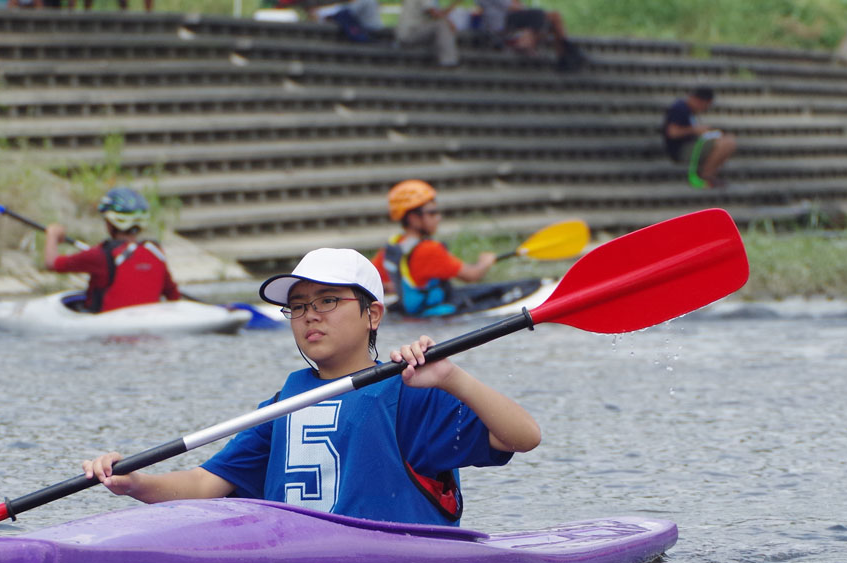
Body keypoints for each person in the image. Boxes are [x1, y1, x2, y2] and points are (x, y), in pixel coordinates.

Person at [84, 247, 540, 526]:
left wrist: (452, 377)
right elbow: (206, 483)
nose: (309, 316)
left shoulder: (410, 391)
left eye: (328, 301)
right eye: (298, 307)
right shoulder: (285, 404)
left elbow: (522, 437)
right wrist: (135, 483)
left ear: (372, 315)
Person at [370, 179, 506, 317]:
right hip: (432, 318)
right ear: (413, 218)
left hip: (410, 314)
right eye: (432, 213)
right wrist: (485, 262)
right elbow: (472, 275)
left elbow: (373, 280)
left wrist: (394, 287)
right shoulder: (429, 250)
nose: (438, 217)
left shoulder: (394, 245)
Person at [43, 186, 180, 313]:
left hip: (108, 333)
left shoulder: (99, 255)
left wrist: (52, 235)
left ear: (110, 223)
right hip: (149, 328)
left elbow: (52, 263)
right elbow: (173, 296)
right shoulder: (155, 252)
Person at [475, 0, 586, 72]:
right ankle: (567, 51)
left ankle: (563, 54)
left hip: (512, 19)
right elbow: (513, 7)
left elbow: (517, 6)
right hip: (503, 24)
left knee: (555, 17)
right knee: (540, 15)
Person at [662, 87, 738, 189]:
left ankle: (709, 175)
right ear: (699, 100)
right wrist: (695, 130)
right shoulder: (680, 108)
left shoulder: (689, 110)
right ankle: (706, 176)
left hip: (692, 145)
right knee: (727, 143)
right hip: (681, 150)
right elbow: (672, 132)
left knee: (727, 140)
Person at [396, 0, 461, 68]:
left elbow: (438, 14)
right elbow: (434, 14)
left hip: (410, 31)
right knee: (441, 25)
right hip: (410, 32)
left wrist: (453, 5)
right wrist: (449, 23)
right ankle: (449, 62)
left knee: (441, 24)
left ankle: (448, 59)